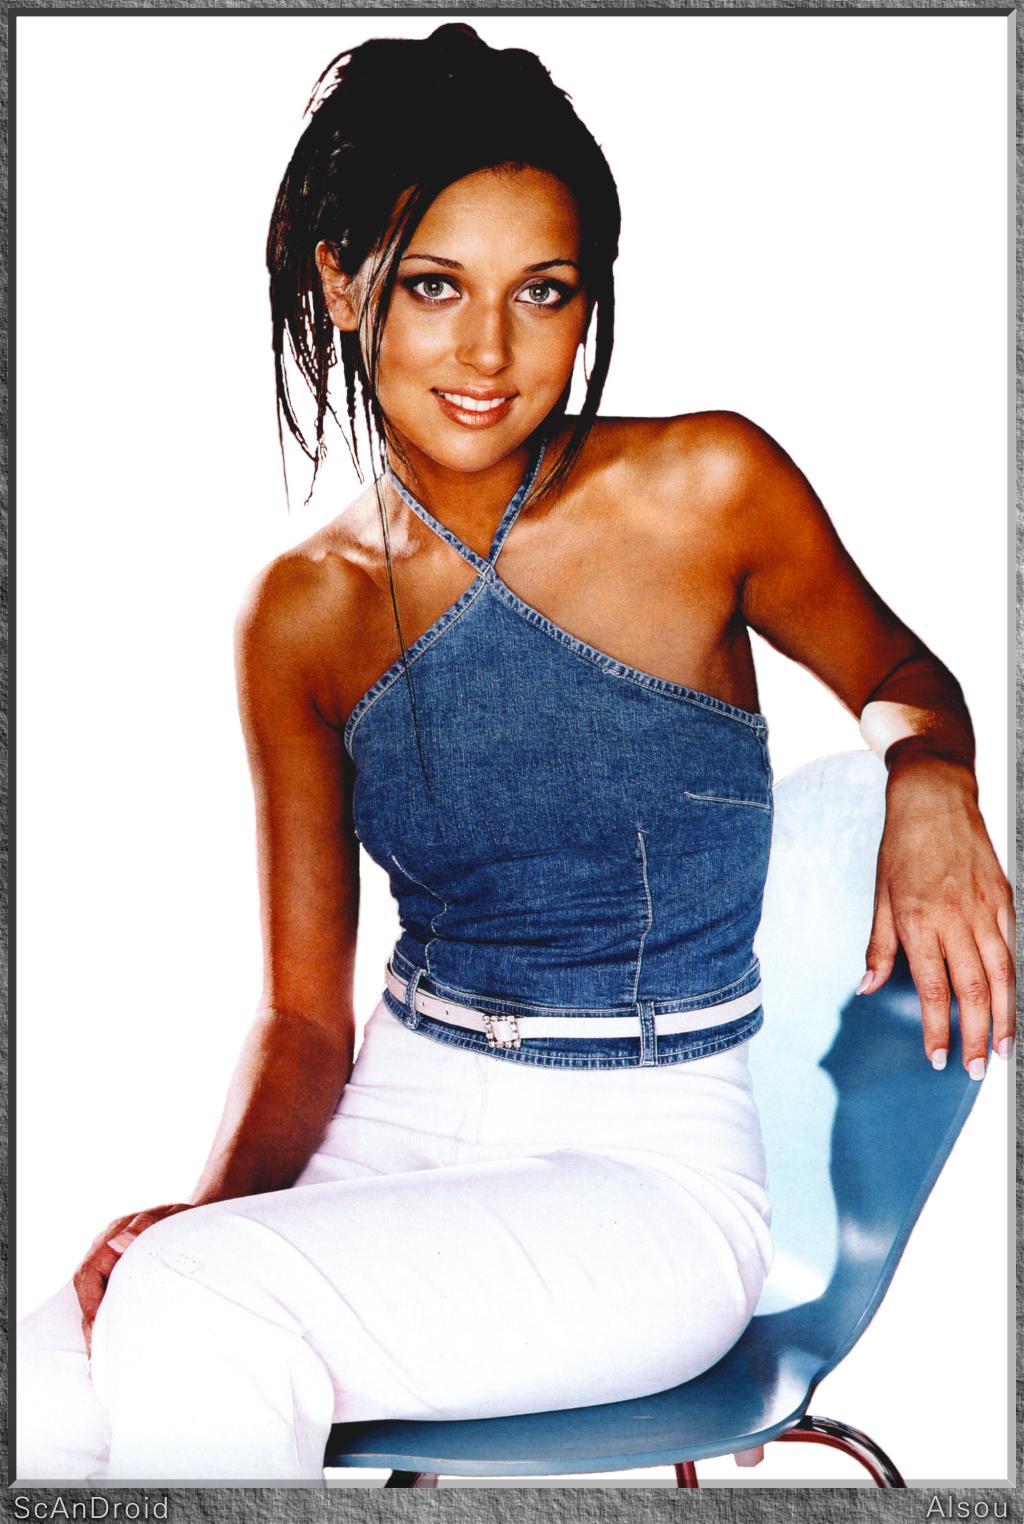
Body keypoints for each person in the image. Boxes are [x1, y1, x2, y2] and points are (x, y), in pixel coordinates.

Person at [16, 23, 1014, 1485]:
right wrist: (203, 1221)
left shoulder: (706, 489)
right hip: (394, 1119)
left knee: (203, 1316)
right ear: (342, 282)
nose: (490, 353)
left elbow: (903, 680)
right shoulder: (303, 613)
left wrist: (930, 776)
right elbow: (303, 1024)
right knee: (45, 1394)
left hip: (651, 1169)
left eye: (543, 292)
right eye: (435, 286)